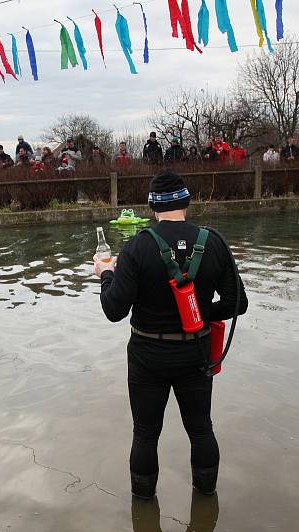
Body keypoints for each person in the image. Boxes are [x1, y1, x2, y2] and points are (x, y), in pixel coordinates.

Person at [93, 170, 248, 500]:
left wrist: (106, 274)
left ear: (152, 207)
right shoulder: (214, 241)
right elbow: (238, 304)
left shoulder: (137, 247)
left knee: (146, 434)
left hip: (147, 356)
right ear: (188, 202)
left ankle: (144, 509)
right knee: (201, 428)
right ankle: (206, 501)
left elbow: (113, 310)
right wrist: (195, 314)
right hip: (196, 352)